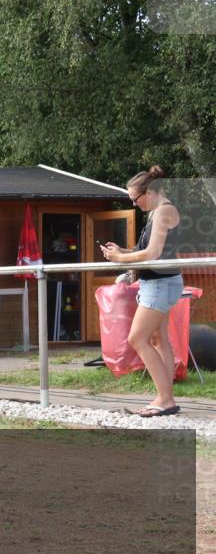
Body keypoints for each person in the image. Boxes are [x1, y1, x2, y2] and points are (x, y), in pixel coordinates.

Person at [102, 166, 183, 417]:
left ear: (148, 193)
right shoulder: (157, 212)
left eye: (135, 200)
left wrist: (119, 259)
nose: (135, 204)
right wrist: (122, 252)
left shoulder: (163, 211)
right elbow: (144, 249)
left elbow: (152, 254)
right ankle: (165, 397)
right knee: (159, 340)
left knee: (137, 339)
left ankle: (165, 399)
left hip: (159, 284)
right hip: (161, 282)